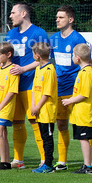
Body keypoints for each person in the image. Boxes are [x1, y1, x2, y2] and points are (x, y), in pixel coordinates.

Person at [6, 2, 48, 169]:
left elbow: (43, 60)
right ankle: (18, 159)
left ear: (23, 14)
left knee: (35, 121)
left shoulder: (38, 33)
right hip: (14, 86)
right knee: (17, 123)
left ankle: (45, 159)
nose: (10, 15)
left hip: (31, 84)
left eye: (13, 12)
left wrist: (24, 69)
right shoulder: (10, 34)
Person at [49, 5, 88, 171]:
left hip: (74, 88)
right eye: (57, 17)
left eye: (61, 17)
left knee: (81, 125)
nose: (57, 20)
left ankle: (88, 163)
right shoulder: (54, 39)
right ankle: (62, 162)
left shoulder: (78, 39)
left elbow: (86, 63)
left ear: (70, 20)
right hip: (59, 88)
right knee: (61, 125)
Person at [62, 45, 92, 174]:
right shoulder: (82, 72)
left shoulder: (87, 73)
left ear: (78, 58)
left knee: (84, 139)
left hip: (85, 113)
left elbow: (84, 94)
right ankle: (86, 165)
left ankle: (88, 166)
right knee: (82, 139)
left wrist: (69, 100)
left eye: (72, 54)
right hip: (79, 113)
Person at [0, 42, 18, 170]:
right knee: (2, 133)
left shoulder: (13, 70)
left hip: (5, 107)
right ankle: (5, 162)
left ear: (8, 54)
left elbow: (12, 91)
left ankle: (3, 162)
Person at [29, 43, 57, 173]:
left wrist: (38, 106)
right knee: (43, 136)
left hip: (47, 110)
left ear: (38, 55)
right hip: (39, 110)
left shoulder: (49, 70)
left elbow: (47, 93)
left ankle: (48, 165)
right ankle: (45, 163)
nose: (33, 55)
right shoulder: (38, 69)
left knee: (47, 138)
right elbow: (35, 89)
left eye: (33, 53)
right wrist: (33, 105)